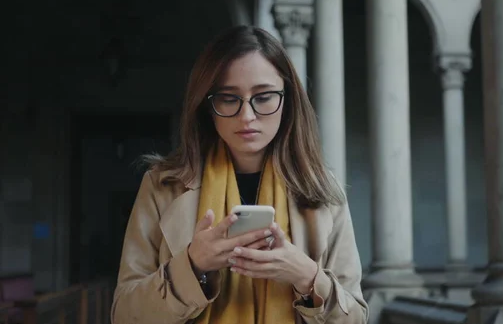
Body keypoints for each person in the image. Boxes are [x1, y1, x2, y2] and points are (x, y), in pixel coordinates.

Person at [111, 25, 368, 324]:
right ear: (207, 105)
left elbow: (357, 318)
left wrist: (306, 275)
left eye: (264, 97)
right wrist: (192, 266)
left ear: (288, 100)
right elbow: (124, 315)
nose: (247, 116)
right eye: (229, 99)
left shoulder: (322, 189)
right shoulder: (162, 186)